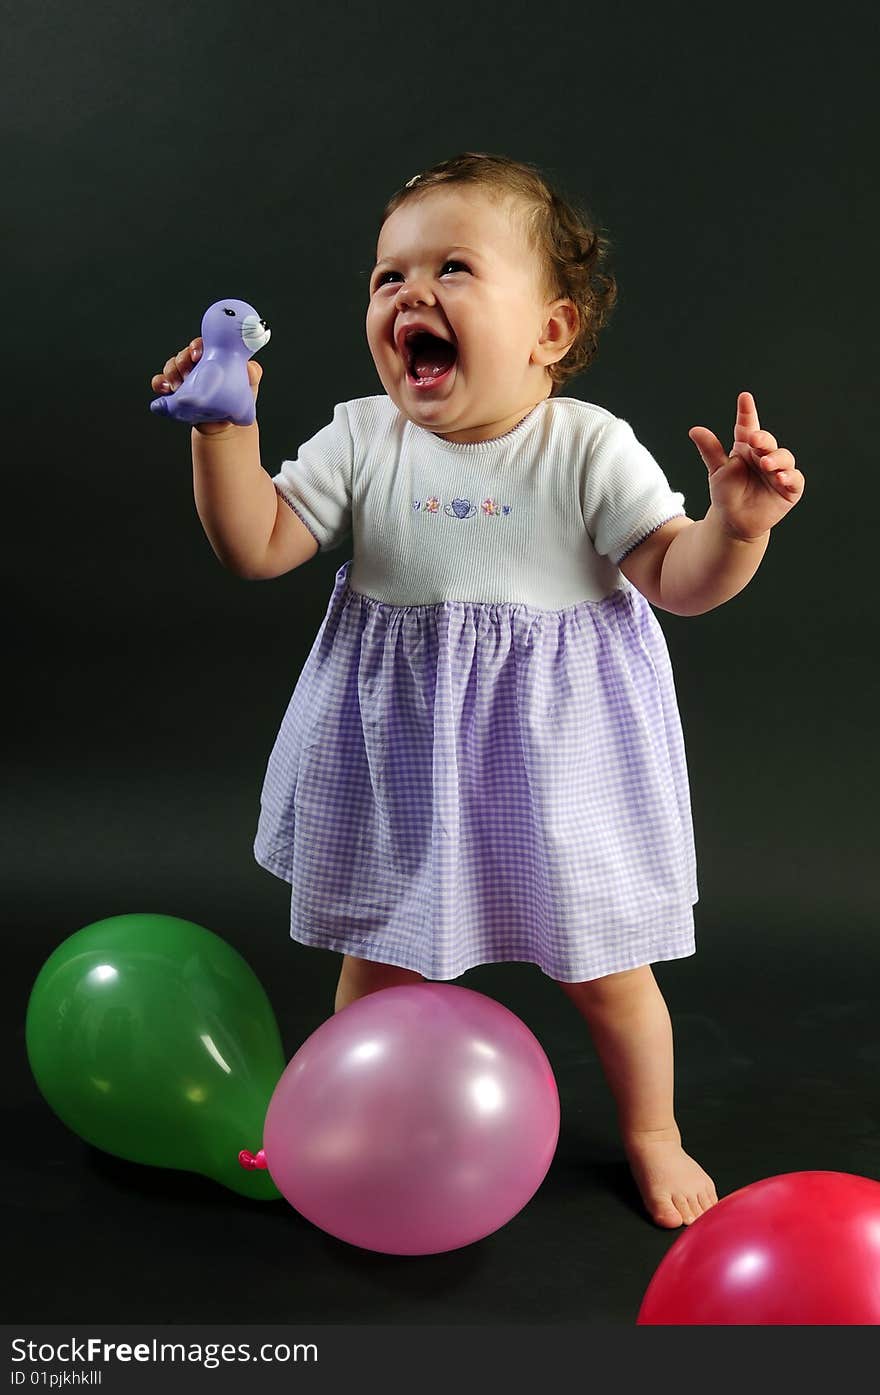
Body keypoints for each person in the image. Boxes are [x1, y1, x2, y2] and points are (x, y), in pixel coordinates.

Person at [150, 152, 803, 1229]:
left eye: (452, 268)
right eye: (386, 276)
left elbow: (677, 584)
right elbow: (257, 547)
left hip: (561, 759)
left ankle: (650, 1129)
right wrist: (225, 430)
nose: (410, 293)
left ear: (548, 332)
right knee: (379, 968)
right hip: (405, 757)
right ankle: (333, 1115)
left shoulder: (584, 447)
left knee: (605, 971)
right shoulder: (365, 437)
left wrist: (734, 528)